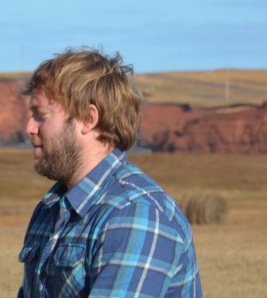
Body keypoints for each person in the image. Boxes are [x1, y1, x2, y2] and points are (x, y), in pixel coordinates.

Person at [17, 48, 202, 297]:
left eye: (40, 115)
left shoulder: (135, 214)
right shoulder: (50, 210)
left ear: (87, 118)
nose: (29, 127)